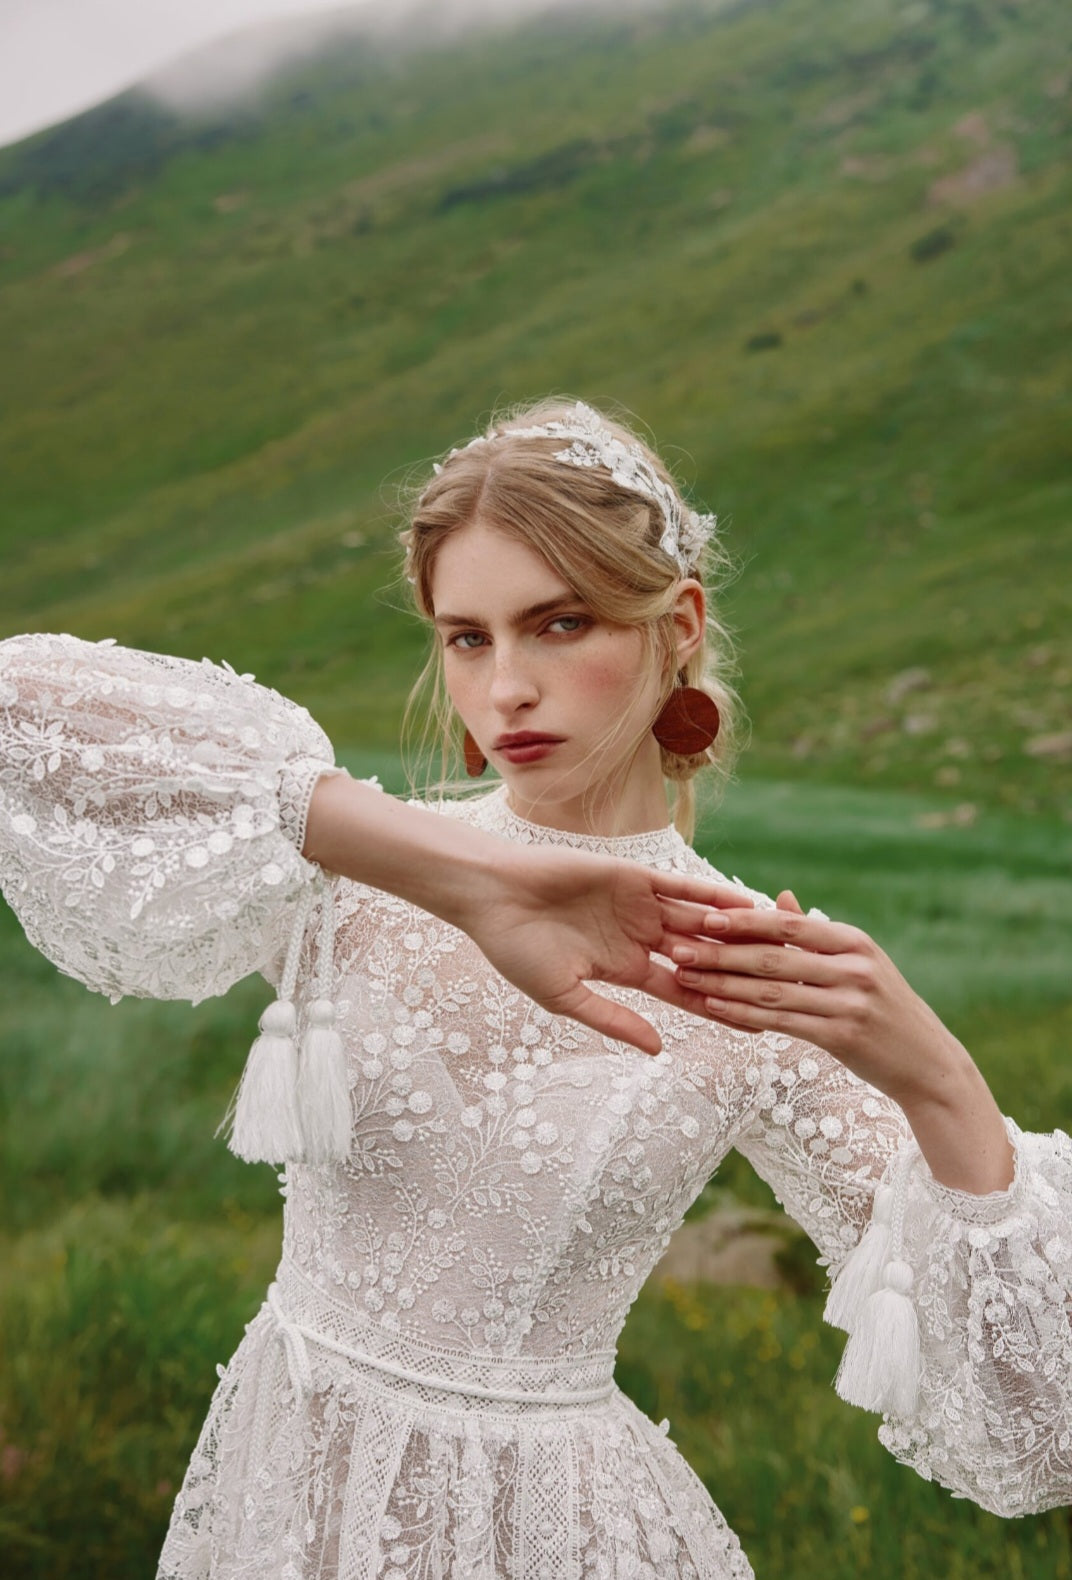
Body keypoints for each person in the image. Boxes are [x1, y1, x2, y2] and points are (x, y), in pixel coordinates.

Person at [0, 397, 1069, 1580]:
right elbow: (22, 714)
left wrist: (937, 1076)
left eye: (560, 623)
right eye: (467, 636)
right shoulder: (360, 872)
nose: (506, 685)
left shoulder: (741, 963)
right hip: (290, 1486)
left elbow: (1034, 1421)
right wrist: (462, 874)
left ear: (678, 628)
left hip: (553, 1528)